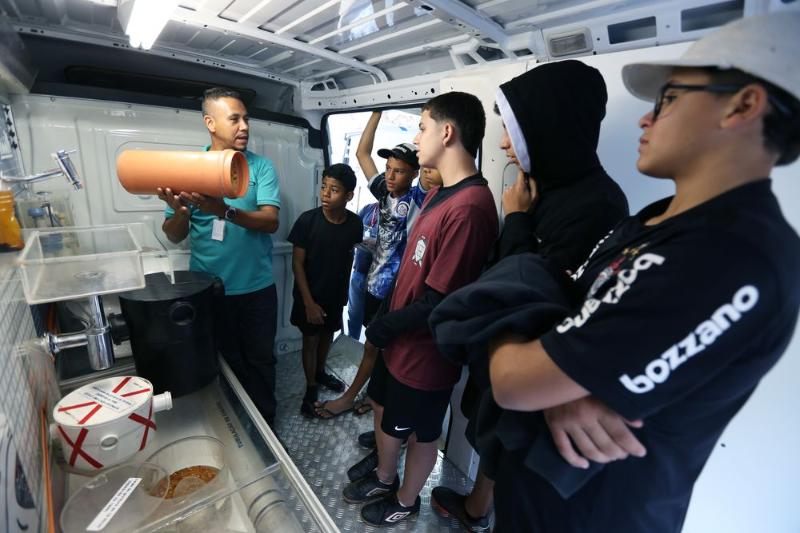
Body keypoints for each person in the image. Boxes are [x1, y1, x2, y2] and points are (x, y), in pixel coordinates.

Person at [488, 13, 800, 532]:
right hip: (541, 502)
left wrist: (509, 332)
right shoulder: (657, 220)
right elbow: (562, 306)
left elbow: (514, 381)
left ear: (743, 105)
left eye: (669, 98)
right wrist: (557, 378)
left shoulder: (729, 257)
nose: (644, 119)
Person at [431, 60, 629, 531]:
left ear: (552, 128)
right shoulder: (544, 186)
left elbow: (530, 294)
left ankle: (482, 514)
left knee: (512, 450)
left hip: (532, 366)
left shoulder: (596, 205)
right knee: (490, 434)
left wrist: (517, 220)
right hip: (502, 358)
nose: (503, 144)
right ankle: (478, 509)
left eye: (514, 131)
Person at [342, 92, 499, 527]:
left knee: (422, 431)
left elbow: (441, 301)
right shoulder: (437, 194)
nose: (418, 135)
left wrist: (384, 327)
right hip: (401, 342)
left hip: (426, 353)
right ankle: (384, 475)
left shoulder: (470, 208)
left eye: (423, 126)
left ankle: (406, 500)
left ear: (447, 133)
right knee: (386, 415)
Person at [158, 87, 281, 427]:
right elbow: (173, 233)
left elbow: (271, 221)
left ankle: (266, 426)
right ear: (211, 123)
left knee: (260, 360)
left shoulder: (260, 167)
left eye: (246, 119)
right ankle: (235, 424)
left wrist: (222, 211)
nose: (245, 126)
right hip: (210, 289)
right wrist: (181, 211)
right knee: (222, 359)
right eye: (235, 119)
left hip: (257, 289)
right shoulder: (187, 170)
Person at [313, 110, 437, 418]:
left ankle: (353, 397)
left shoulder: (422, 199)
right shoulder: (385, 192)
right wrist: (377, 111)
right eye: (389, 169)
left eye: (399, 171)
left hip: (400, 288)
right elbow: (362, 153)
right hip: (375, 283)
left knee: (376, 346)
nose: (391, 176)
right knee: (377, 344)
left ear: (415, 174)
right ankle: (372, 395)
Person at [288, 164, 363, 418]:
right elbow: (297, 263)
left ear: (349, 196)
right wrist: (309, 302)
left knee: (327, 335)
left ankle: (320, 373)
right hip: (309, 295)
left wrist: (343, 294)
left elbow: (348, 256)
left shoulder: (355, 224)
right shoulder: (307, 221)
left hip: (334, 295)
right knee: (310, 339)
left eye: (334, 190)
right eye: (323, 187)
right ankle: (311, 387)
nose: (325, 194)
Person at [346, 201, 379, 340]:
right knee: (354, 316)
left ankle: (370, 354)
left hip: (380, 279)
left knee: (374, 321)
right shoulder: (369, 209)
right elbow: (352, 232)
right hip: (359, 272)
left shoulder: (401, 213)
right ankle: (351, 348)